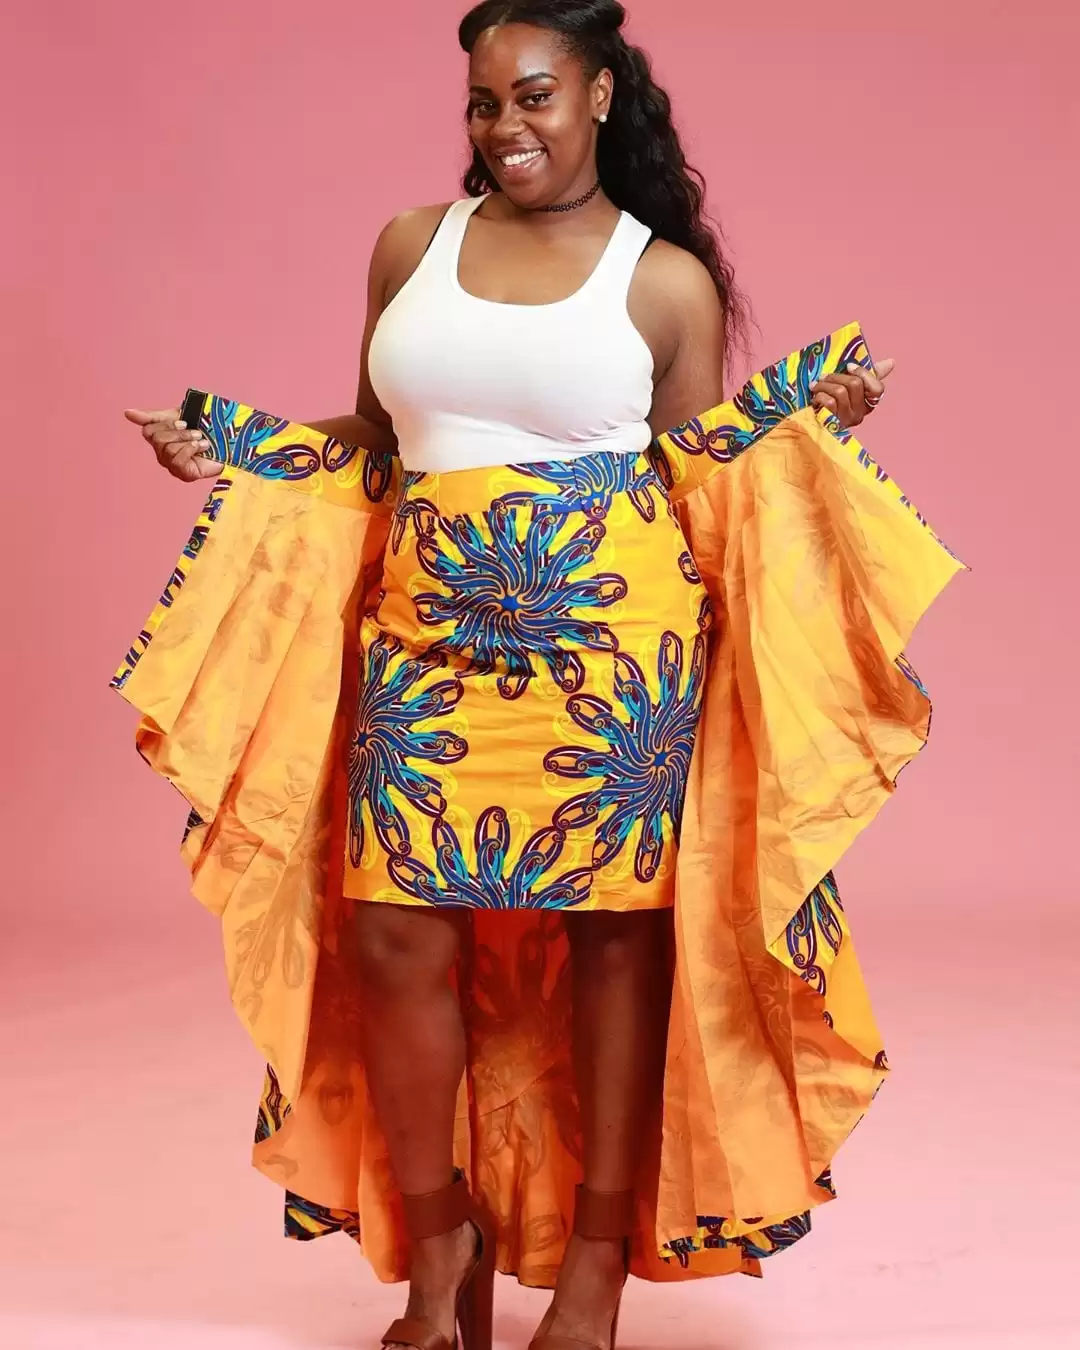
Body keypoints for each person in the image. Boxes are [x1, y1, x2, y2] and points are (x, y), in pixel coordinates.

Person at [118, 5, 956, 1350]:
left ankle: (595, 1270)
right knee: (392, 932)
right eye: (482, 102)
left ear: (601, 93)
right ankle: (441, 1246)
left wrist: (804, 428)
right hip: (424, 644)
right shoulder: (412, 247)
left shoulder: (662, 282)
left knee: (615, 949)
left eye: (535, 94)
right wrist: (238, 448)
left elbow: (698, 475)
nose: (505, 125)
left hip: (612, 667)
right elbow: (381, 441)